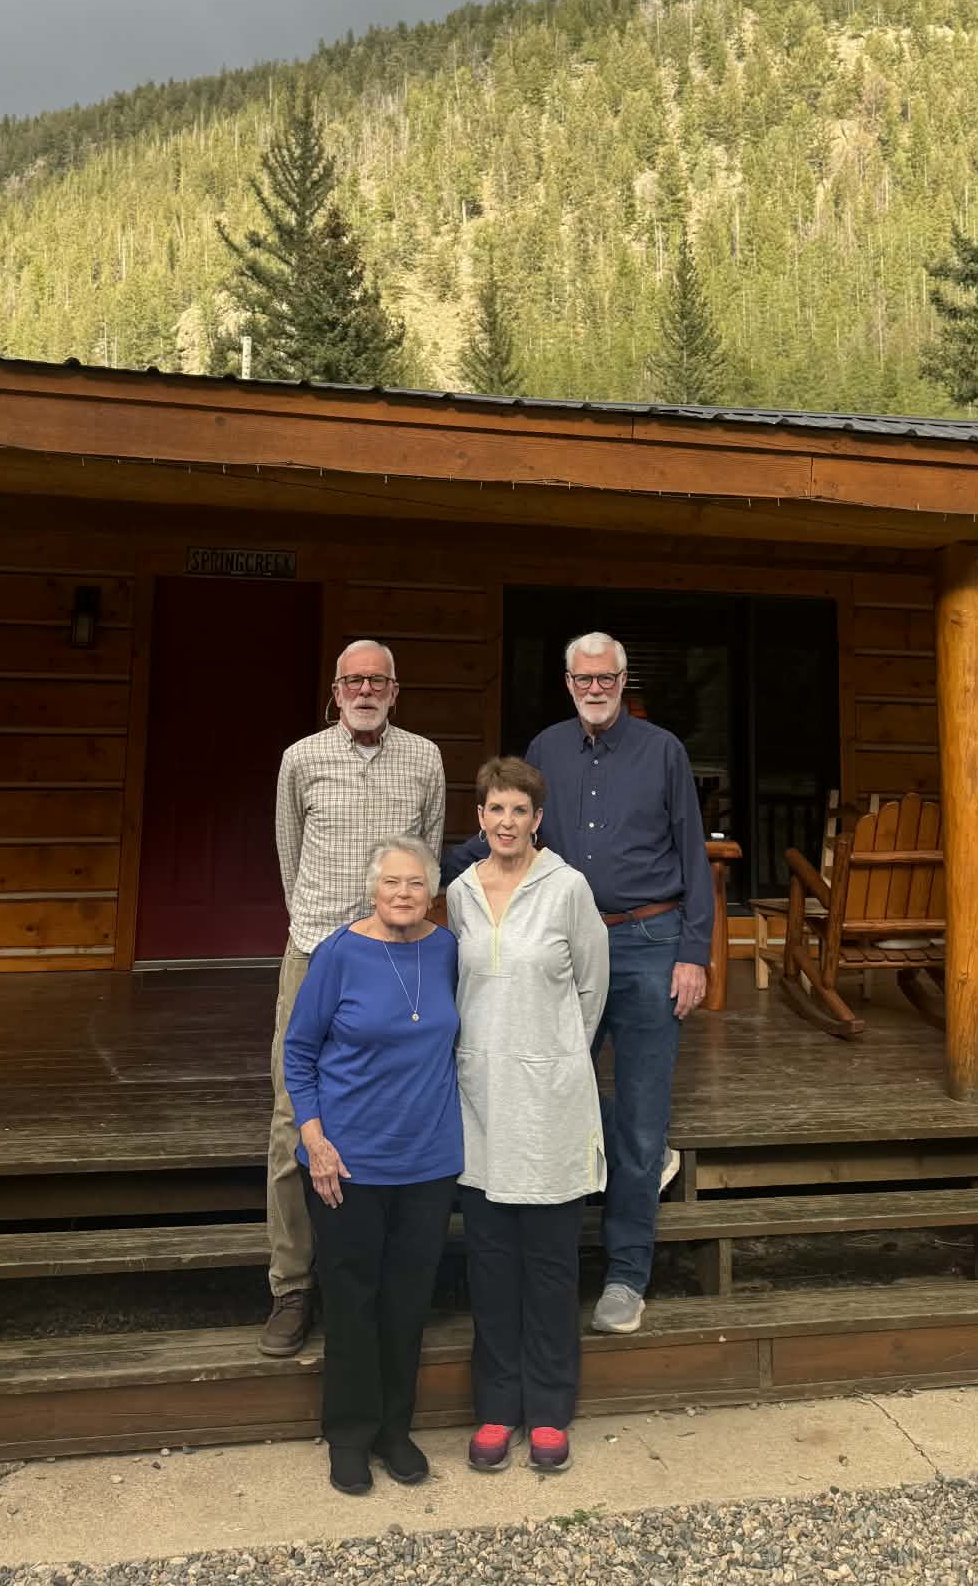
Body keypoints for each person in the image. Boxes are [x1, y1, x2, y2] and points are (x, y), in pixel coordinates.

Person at [526, 632, 713, 1336]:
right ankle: (549, 1264)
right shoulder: (545, 750)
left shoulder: (663, 751)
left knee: (640, 1117)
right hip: (567, 943)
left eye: (607, 678)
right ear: (568, 682)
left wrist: (693, 953)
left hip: (649, 942)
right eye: (584, 678)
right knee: (553, 1096)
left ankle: (627, 1275)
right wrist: (433, 873)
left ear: (624, 681)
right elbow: (514, 837)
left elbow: (693, 852)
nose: (595, 689)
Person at [264, 638, 447, 1356]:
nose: (365, 690)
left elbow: (427, 861)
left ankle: (377, 1276)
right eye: (353, 681)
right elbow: (289, 855)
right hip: (316, 950)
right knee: (293, 1116)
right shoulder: (301, 759)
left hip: (397, 956)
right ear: (335, 691)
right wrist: (321, 931)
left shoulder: (424, 758)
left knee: (389, 1104)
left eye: (378, 680)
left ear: (395, 691)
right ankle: (291, 1285)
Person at [283, 837, 462, 1495]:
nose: (403, 894)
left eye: (416, 883)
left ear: (432, 893)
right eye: (392, 882)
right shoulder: (338, 954)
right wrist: (315, 1140)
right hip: (348, 1162)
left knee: (408, 1301)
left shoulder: (447, 951)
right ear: (372, 889)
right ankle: (349, 1435)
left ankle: (394, 1430)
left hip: (428, 1160)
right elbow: (299, 1053)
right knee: (353, 1301)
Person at [448, 755, 608, 1475]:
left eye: (519, 810)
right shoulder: (459, 894)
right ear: (479, 817)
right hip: (481, 1100)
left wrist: (552, 1057)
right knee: (490, 1266)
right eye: (496, 809)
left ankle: (547, 1409)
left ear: (538, 819)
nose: (506, 822)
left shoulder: (567, 888)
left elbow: (591, 990)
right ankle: (496, 1406)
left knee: (548, 1267)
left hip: (549, 1104)